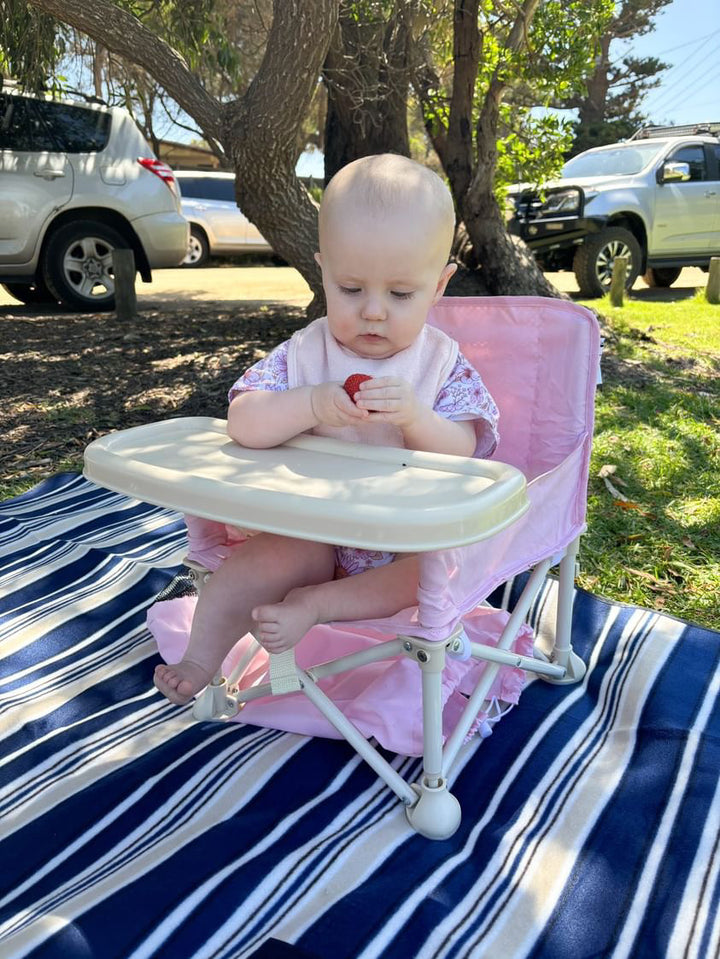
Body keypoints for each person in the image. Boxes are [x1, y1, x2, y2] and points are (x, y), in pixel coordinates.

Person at [154, 153, 499, 706]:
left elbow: (466, 451)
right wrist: (309, 403)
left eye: (401, 294)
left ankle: (316, 606)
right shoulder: (305, 353)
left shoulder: (440, 363)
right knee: (254, 564)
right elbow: (244, 421)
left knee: (430, 577)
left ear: (439, 286)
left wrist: (415, 418)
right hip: (309, 529)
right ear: (323, 271)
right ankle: (201, 657)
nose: (373, 313)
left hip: (400, 541)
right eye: (351, 288)